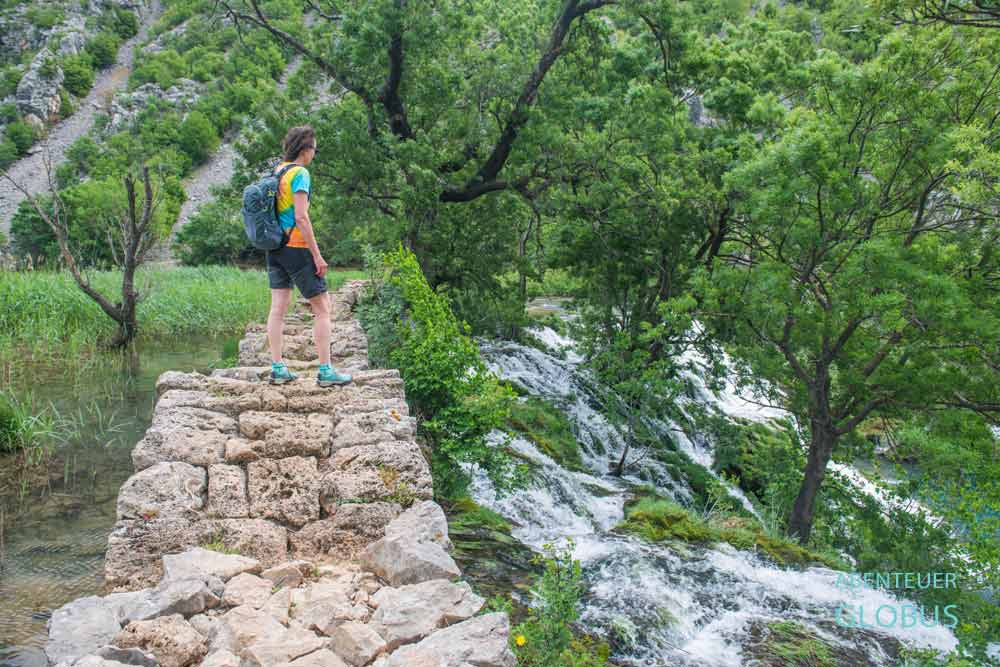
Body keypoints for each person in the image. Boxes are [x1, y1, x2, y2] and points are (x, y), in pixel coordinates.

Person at [265, 125, 352, 387]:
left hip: (274, 247)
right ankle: (326, 371)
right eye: (314, 148)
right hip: (297, 245)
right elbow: (301, 217)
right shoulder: (300, 173)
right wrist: (318, 255)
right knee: (323, 307)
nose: (314, 153)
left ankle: (278, 368)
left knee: (277, 308)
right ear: (305, 149)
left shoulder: (278, 171)